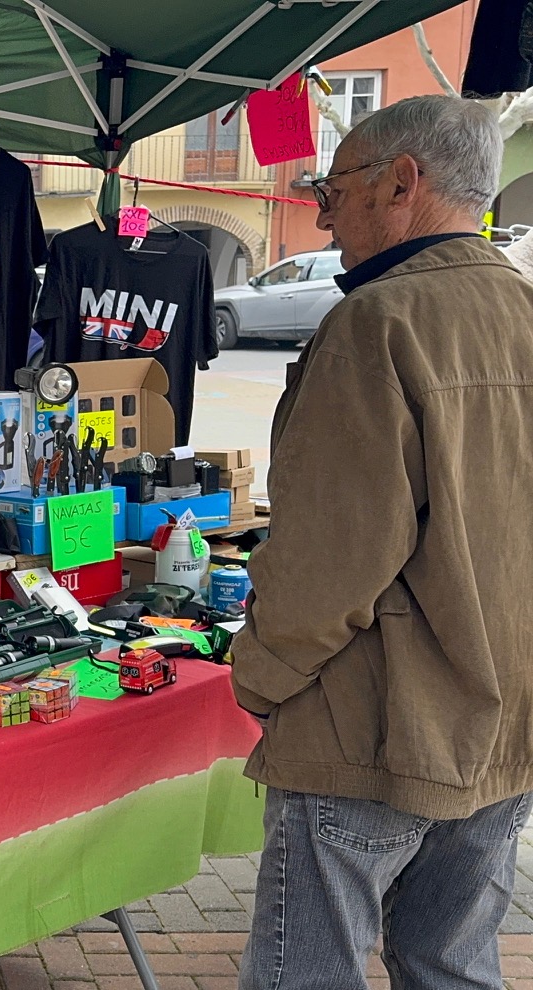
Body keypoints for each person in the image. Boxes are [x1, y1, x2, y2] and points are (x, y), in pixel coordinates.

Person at [231, 95, 533, 990]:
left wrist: (262, 674)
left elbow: (329, 558)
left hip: (374, 724)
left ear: (403, 183)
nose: (323, 216)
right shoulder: (523, 308)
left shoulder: (378, 321)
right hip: (502, 715)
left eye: (333, 190)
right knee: (452, 965)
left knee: (304, 974)